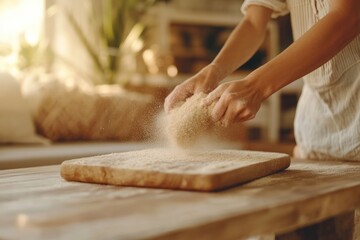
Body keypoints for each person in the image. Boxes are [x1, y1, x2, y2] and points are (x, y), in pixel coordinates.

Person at [164, 0, 360, 161]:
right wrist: (213, 71)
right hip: (317, 130)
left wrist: (255, 86)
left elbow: (347, 16)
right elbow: (253, 22)